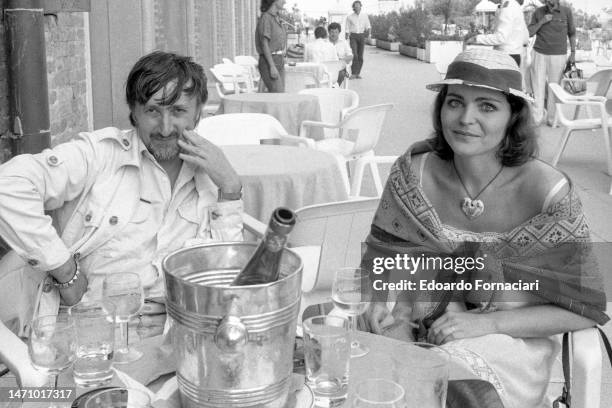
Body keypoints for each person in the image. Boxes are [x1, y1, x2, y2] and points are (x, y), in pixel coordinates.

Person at [363, 49, 608, 408]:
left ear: (513, 117)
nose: (466, 118)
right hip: (415, 321)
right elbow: (378, 262)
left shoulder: (547, 192)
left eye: (487, 107)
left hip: (507, 341)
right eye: (455, 102)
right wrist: (372, 301)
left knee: (452, 388)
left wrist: (486, 326)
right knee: (343, 360)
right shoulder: (413, 173)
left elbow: (583, 307)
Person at [0, 51, 244, 337]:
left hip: (174, 336)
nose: (166, 128)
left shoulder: (212, 176)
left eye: (178, 111)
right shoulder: (99, 155)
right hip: (88, 331)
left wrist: (231, 190)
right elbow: (8, 186)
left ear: (198, 112)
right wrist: (65, 271)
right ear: (134, 113)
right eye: (153, 111)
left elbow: (227, 277)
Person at [528, 0, 576, 125]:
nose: (550, 2)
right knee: (537, 86)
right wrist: (542, 21)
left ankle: (552, 119)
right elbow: (530, 32)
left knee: (555, 88)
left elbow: (572, 33)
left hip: (559, 54)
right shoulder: (538, 12)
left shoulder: (566, 12)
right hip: (539, 53)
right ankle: (536, 119)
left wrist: (573, 52)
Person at [465, 0, 529, 66]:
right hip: (514, 55)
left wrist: (476, 39)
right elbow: (525, 37)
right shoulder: (514, 5)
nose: (488, 0)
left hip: (506, 57)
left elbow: (500, 38)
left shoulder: (507, 8)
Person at [255, 0, 287, 92]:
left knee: (279, 96)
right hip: (270, 61)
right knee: (278, 94)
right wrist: (272, 66)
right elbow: (264, 44)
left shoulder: (277, 18)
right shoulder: (266, 18)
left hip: (279, 60)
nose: (284, 1)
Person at [345, 0, 370, 79]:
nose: (357, 7)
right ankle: (353, 73)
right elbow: (347, 28)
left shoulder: (365, 16)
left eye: (358, 5)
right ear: (353, 7)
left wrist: (368, 34)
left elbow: (368, 26)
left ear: (360, 6)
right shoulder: (349, 17)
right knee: (354, 55)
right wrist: (346, 36)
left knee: (360, 56)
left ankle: (357, 73)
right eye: (355, 6)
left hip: (361, 36)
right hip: (353, 36)